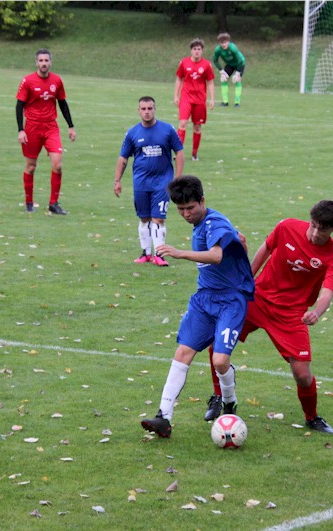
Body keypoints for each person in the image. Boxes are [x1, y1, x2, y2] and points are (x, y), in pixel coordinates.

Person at [203, 200, 333, 435]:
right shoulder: (287, 227)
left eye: (322, 229)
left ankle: (312, 418)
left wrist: (317, 312)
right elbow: (266, 249)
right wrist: (245, 281)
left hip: (291, 313)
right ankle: (219, 396)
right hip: (257, 299)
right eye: (313, 225)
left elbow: (327, 291)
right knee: (218, 341)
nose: (314, 233)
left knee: (301, 373)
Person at [141, 175, 254, 438]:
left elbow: (216, 256)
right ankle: (163, 418)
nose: (185, 214)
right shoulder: (201, 224)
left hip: (230, 301)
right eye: (180, 209)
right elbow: (238, 241)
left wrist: (179, 253)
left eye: (190, 208)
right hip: (204, 299)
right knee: (182, 353)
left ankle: (229, 403)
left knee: (220, 361)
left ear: (202, 200)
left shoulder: (215, 221)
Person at [114, 96, 185, 266]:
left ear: (155, 109)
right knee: (144, 218)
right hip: (141, 183)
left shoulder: (167, 130)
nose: (147, 112)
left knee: (158, 219)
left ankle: (159, 254)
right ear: (139, 110)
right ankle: (145, 253)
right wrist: (117, 180)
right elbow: (123, 158)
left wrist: (178, 179)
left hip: (163, 182)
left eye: (150, 108)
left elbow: (179, 153)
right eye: (143, 109)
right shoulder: (132, 133)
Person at [16, 48, 76, 215]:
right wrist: (21, 130)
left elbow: (63, 104)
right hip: (32, 127)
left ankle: (53, 204)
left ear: (50, 62)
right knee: (31, 166)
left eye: (46, 60)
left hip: (51, 128)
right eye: (41, 60)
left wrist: (71, 126)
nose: (43, 63)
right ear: (37, 62)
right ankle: (29, 202)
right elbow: (19, 105)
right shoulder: (27, 81)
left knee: (57, 165)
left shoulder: (56, 81)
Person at [174, 38, 215, 162]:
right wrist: (176, 95)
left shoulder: (207, 65)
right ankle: (178, 153)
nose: (197, 51)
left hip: (200, 100)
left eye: (199, 49)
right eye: (194, 49)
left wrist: (212, 99)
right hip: (186, 98)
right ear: (191, 51)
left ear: (202, 51)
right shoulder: (184, 63)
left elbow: (210, 82)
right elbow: (179, 79)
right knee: (182, 124)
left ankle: (194, 153)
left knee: (197, 127)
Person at [212, 32, 246, 107]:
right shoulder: (218, 50)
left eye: (225, 42)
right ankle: (225, 102)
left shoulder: (233, 48)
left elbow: (240, 61)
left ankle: (237, 102)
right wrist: (221, 71)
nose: (224, 44)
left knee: (237, 80)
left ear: (228, 42)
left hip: (239, 64)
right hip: (230, 65)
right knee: (223, 79)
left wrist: (238, 73)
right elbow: (215, 60)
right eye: (222, 43)